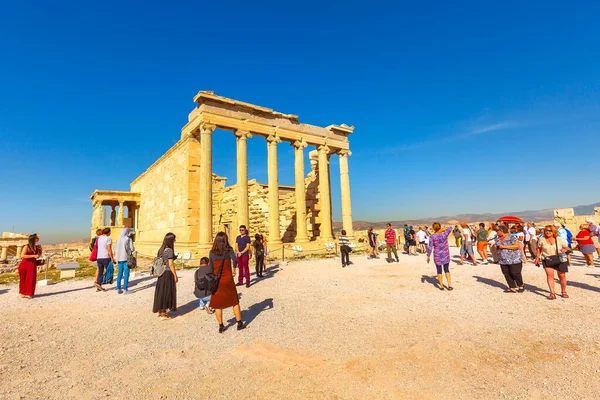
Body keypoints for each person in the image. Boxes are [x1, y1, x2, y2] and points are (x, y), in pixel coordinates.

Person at [208, 232, 246, 333]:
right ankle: (239, 323)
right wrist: (233, 269)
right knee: (234, 301)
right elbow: (235, 260)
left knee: (218, 305)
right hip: (228, 278)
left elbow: (211, 267)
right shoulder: (228, 250)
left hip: (217, 280)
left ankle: (221, 326)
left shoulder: (212, 252)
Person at [535, 225, 570, 300]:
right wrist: (537, 258)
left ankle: (563, 291)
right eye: (546, 230)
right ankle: (552, 293)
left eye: (550, 230)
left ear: (553, 231)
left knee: (562, 275)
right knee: (550, 275)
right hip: (547, 259)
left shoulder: (559, 239)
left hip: (560, 259)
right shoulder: (542, 239)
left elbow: (568, 248)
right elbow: (539, 248)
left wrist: (566, 250)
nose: (548, 232)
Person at [152, 232, 179, 319]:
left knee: (161, 292)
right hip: (167, 273)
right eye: (174, 239)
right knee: (167, 292)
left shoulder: (161, 249)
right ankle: (163, 313)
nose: (175, 240)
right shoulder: (169, 250)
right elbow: (171, 264)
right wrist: (175, 275)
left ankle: (161, 311)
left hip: (161, 273)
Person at [495, 225, 524, 293]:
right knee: (506, 273)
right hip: (503, 259)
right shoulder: (498, 238)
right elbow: (498, 246)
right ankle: (511, 286)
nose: (496, 232)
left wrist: (504, 246)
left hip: (514, 259)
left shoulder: (511, 236)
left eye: (497, 231)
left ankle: (521, 285)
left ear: (501, 231)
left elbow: (517, 246)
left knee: (515, 273)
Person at [426, 223, 453, 291]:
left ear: (433, 228)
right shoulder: (444, 234)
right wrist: (443, 229)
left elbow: (430, 247)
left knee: (439, 270)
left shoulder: (432, 237)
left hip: (437, 255)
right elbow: (450, 227)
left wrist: (428, 255)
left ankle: (441, 286)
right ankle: (449, 285)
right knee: (446, 269)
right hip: (445, 254)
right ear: (440, 227)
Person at [18, 233, 42, 299]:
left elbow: (38, 256)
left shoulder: (37, 247)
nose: (38, 239)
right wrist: (33, 256)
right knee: (23, 279)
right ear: (33, 239)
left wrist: (40, 251)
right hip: (25, 264)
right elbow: (22, 255)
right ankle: (23, 293)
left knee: (31, 279)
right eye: (37, 238)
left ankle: (29, 293)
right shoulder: (26, 246)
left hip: (32, 264)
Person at [114, 227, 135, 294]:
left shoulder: (117, 239)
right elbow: (131, 249)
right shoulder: (128, 239)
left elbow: (115, 249)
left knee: (119, 274)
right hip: (126, 258)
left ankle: (118, 288)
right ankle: (125, 289)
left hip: (119, 258)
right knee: (126, 274)